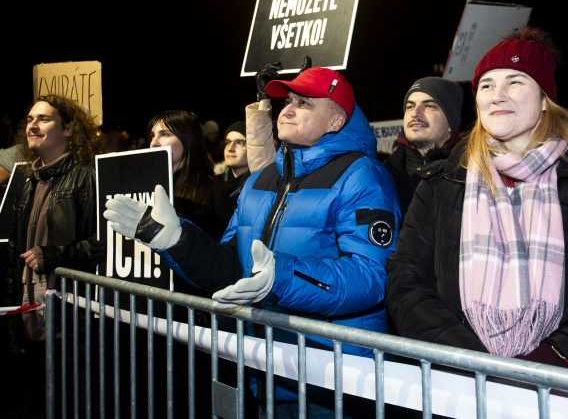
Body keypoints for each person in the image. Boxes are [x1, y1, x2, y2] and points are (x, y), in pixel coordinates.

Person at [106, 67, 401, 415]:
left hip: (333, 377)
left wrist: (281, 278)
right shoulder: (260, 180)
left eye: (303, 103)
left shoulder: (362, 177)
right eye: (288, 101)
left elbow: (371, 276)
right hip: (266, 367)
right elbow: (231, 269)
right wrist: (174, 240)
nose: (287, 109)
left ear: (336, 120)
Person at [386, 30, 568, 374]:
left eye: (514, 82)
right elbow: (405, 281)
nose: (496, 96)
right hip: (460, 379)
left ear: (545, 100)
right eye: (486, 85)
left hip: (562, 384)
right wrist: (466, 358)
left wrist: (556, 358)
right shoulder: (443, 182)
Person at [10, 95, 100, 417]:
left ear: (69, 131)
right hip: (30, 318)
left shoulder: (86, 177)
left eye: (44, 119)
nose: (33, 125)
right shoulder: (28, 181)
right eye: (30, 119)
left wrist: (55, 255)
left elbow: (102, 244)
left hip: (68, 320)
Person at [147, 110, 232, 239]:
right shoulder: (145, 187)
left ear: (188, 140)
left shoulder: (215, 191)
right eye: (152, 136)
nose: (154, 143)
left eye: (164, 134)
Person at [385, 76, 464, 212]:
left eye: (429, 106)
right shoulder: (384, 174)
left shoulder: (470, 172)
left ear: (451, 122)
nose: (415, 113)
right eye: (410, 106)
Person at [218, 120, 250, 208]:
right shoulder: (214, 183)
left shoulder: (258, 186)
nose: (230, 149)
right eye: (228, 142)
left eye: (239, 143)